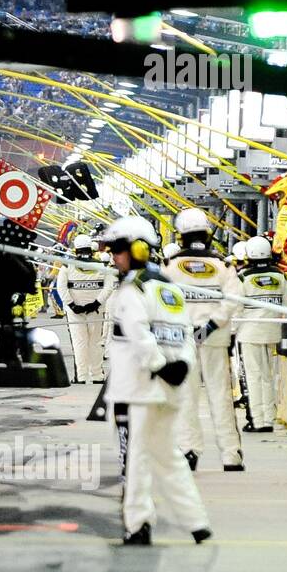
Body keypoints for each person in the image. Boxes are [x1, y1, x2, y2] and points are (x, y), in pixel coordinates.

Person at [100, 215, 211, 547]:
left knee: (136, 458)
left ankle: (137, 525)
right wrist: (180, 367)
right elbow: (185, 335)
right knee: (169, 456)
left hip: (138, 389)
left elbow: (138, 334)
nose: (113, 256)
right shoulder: (170, 289)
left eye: (118, 249)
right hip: (170, 386)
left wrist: (159, 365)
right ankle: (197, 522)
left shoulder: (131, 290)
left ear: (136, 250)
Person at [165, 207, 246, 472]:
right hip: (214, 338)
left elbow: (161, 301)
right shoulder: (223, 265)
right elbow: (235, 298)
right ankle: (231, 455)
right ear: (207, 234)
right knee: (221, 396)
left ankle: (189, 451)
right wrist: (211, 325)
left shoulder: (170, 266)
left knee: (185, 396)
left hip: (182, 338)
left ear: (181, 236)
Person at [235, 237, 287, 434]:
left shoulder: (243, 277)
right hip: (273, 331)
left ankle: (258, 421)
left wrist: (231, 330)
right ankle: (269, 419)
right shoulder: (280, 276)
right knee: (268, 376)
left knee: (253, 376)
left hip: (249, 332)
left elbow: (236, 307)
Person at [56, 234, 115, 384]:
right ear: (91, 249)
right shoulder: (102, 267)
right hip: (96, 311)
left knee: (79, 343)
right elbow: (109, 287)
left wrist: (72, 305)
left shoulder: (66, 266)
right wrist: (96, 303)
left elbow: (61, 288)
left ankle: (81, 377)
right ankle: (97, 375)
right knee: (96, 342)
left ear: (76, 249)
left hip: (75, 312)